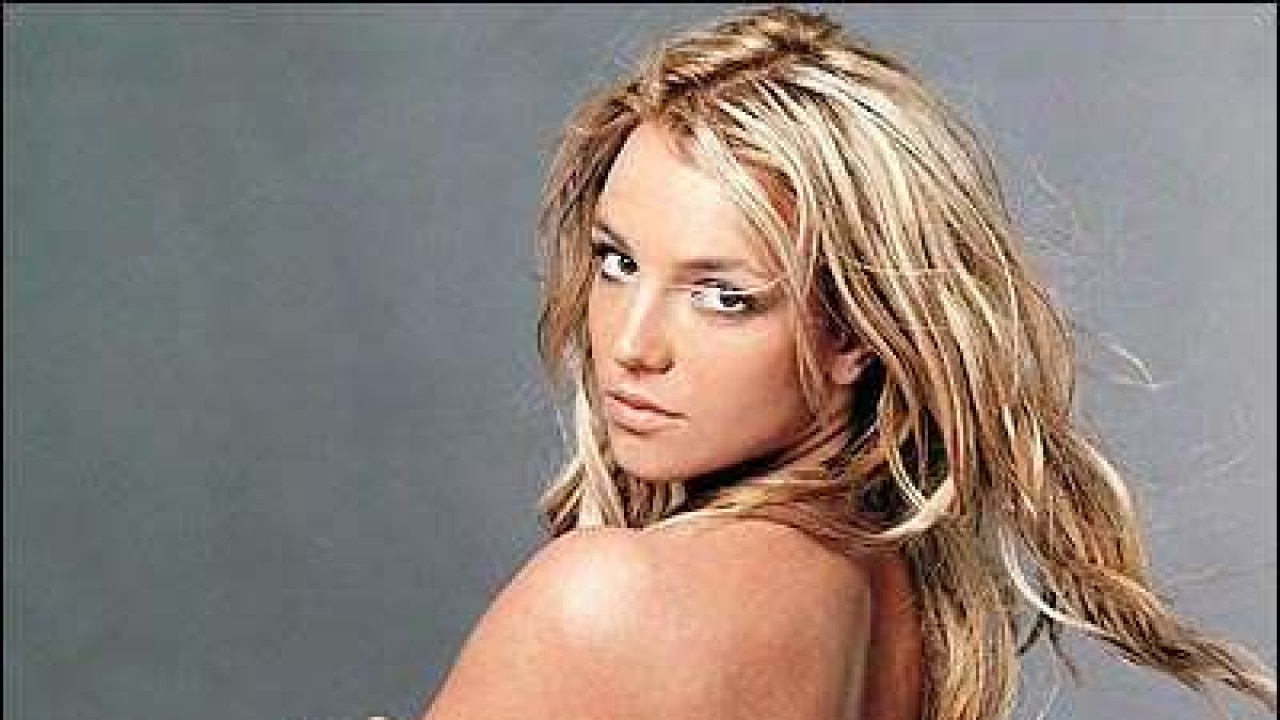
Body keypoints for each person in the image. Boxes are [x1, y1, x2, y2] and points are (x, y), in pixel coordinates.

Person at [420, 6, 1276, 719]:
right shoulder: (909, 610)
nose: (632, 345)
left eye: (724, 297)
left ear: (856, 333)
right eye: (618, 262)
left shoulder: (606, 597)